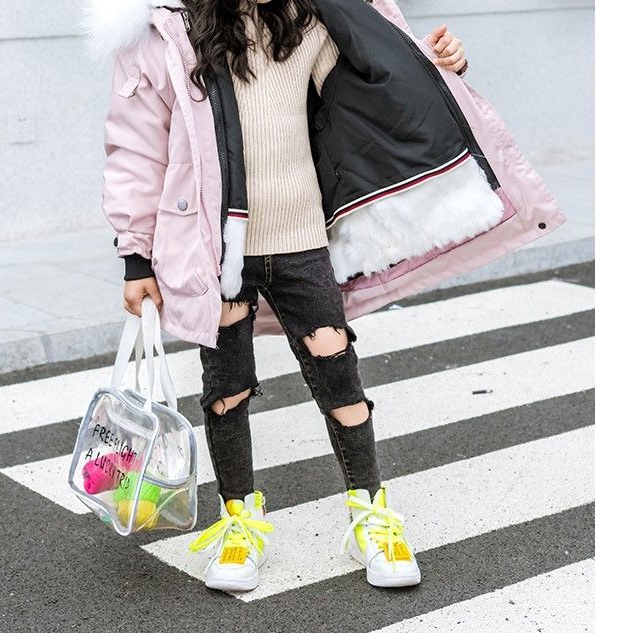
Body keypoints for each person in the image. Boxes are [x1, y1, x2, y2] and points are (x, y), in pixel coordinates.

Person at [91, 0, 554, 593]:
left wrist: (443, 63)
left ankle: (371, 518)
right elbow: (135, 150)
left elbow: (382, 80)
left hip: (303, 242)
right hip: (216, 251)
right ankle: (239, 525)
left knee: (340, 380)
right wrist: (136, 256)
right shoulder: (169, 34)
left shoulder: (308, 19)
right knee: (227, 390)